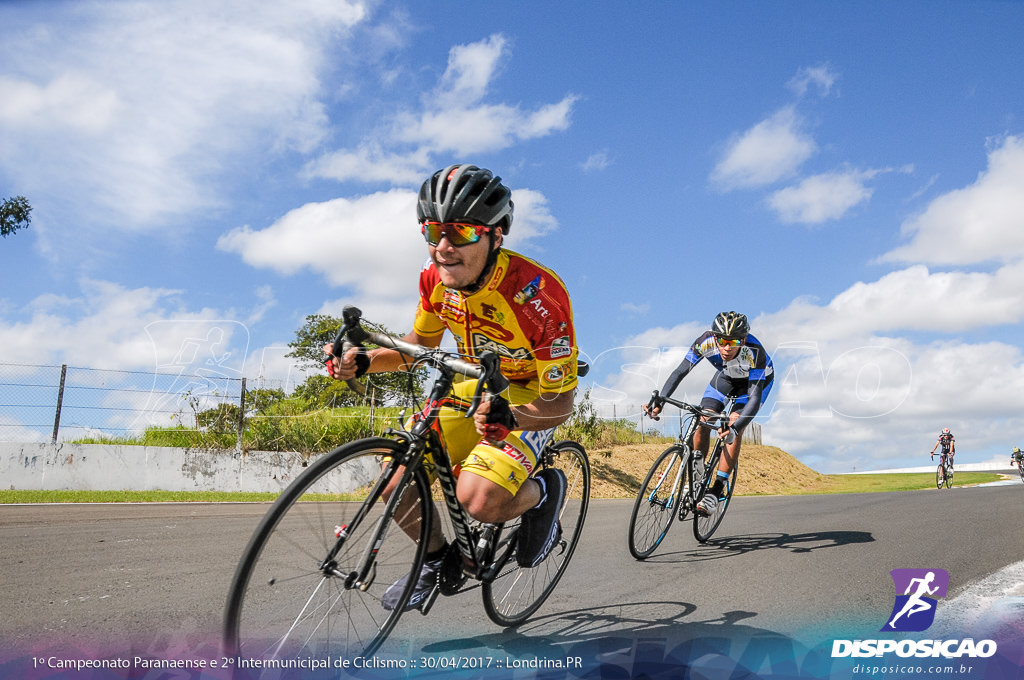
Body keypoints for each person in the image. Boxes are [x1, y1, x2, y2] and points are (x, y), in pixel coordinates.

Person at [324, 164, 579, 611]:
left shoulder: (538, 297)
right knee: (394, 479)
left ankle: (543, 493)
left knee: (477, 500)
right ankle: (438, 558)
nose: (443, 248)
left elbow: (561, 402)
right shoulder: (433, 279)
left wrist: (511, 417)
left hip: (527, 399)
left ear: (495, 235)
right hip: (467, 388)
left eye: (460, 232)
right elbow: (420, 344)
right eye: (432, 231)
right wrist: (362, 362)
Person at [643, 311, 774, 516]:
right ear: (715, 337)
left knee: (733, 423)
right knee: (704, 418)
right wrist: (660, 400)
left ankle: (716, 489)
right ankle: (697, 477)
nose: (726, 347)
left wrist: (735, 429)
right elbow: (680, 372)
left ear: (744, 339)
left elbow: (754, 399)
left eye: (733, 342)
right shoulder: (705, 341)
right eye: (722, 340)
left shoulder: (755, 352)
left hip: (753, 385)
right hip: (726, 377)